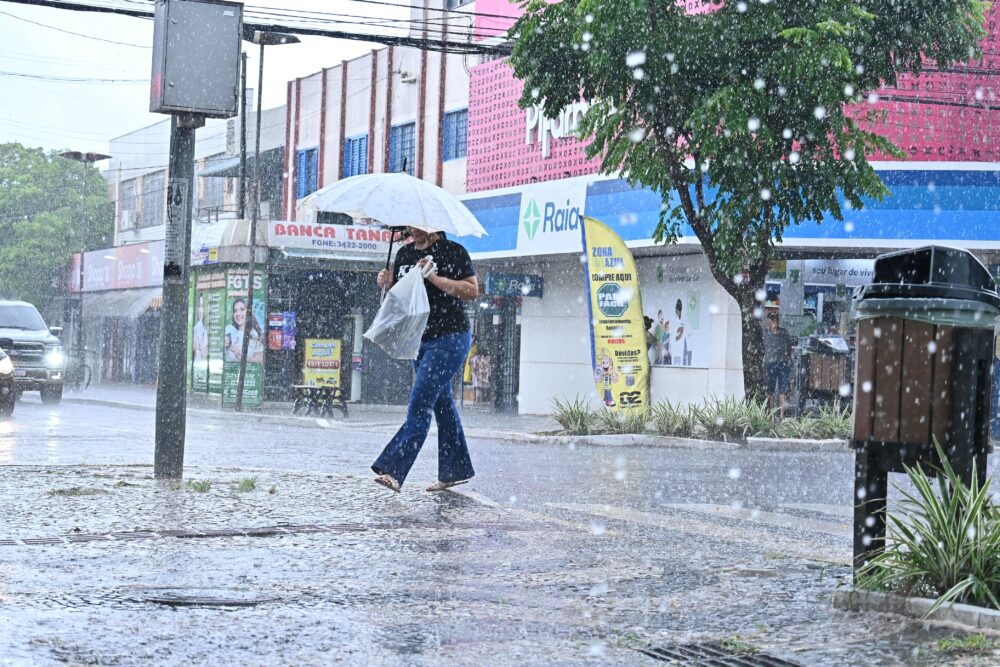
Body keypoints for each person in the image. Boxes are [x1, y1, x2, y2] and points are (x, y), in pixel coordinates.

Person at [371, 225, 479, 493]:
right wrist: (387, 284)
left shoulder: (453, 251)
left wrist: (436, 278)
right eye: (409, 225)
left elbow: (472, 291)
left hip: (451, 337)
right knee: (442, 405)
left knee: (420, 403)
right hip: (419, 338)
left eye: (419, 225)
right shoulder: (404, 254)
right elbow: (401, 298)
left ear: (433, 223)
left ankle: (394, 470)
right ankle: (455, 470)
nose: (413, 230)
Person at [764, 314, 794, 419]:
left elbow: (789, 347)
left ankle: (782, 414)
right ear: (768, 322)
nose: (774, 323)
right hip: (770, 363)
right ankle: (771, 413)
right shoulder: (765, 334)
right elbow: (763, 348)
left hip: (783, 363)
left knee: (783, 389)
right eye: (772, 321)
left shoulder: (784, 333)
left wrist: (789, 358)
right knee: (770, 389)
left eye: (776, 320)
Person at [224, 298, 264, 363]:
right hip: (229, 372)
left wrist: (240, 356)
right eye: (235, 311)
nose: (238, 313)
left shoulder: (256, 335)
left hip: (247, 373)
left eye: (242, 309)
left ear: (248, 313)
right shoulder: (229, 332)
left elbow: (258, 361)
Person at [192, 293, 208, 362]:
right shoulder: (195, 327)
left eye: (202, 306)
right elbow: (194, 348)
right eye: (199, 306)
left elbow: (205, 354)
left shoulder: (205, 329)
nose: (200, 310)